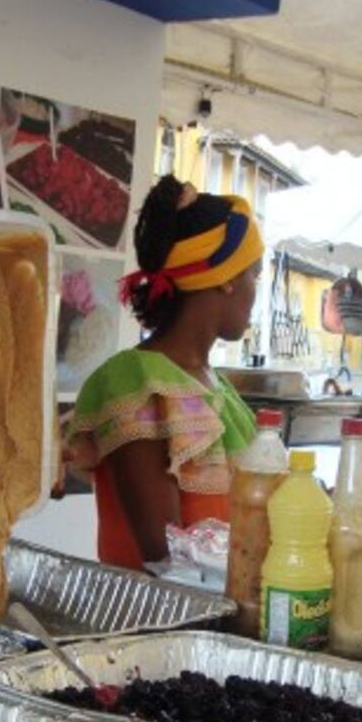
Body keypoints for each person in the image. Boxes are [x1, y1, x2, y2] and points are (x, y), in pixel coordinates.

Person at [66, 176, 262, 570]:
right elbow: (165, 559)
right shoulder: (136, 382)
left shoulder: (218, 388)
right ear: (225, 279)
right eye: (253, 274)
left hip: (226, 602)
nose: (254, 290)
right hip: (161, 608)